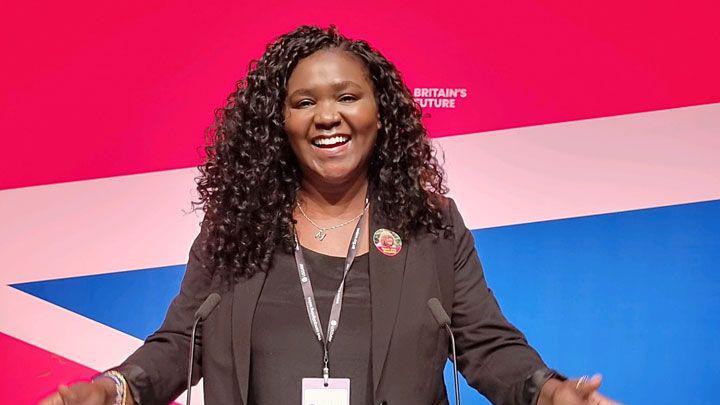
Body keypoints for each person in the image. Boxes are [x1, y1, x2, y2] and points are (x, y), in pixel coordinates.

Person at [40, 25, 618, 405]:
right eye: (304, 102)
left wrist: (547, 390)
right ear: (280, 123)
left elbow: (487, 346)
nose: (327, 117)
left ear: (380, 112)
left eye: (347, 97)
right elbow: (179, 346)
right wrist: (115, 390)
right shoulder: (235, 231)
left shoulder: (431, 227)